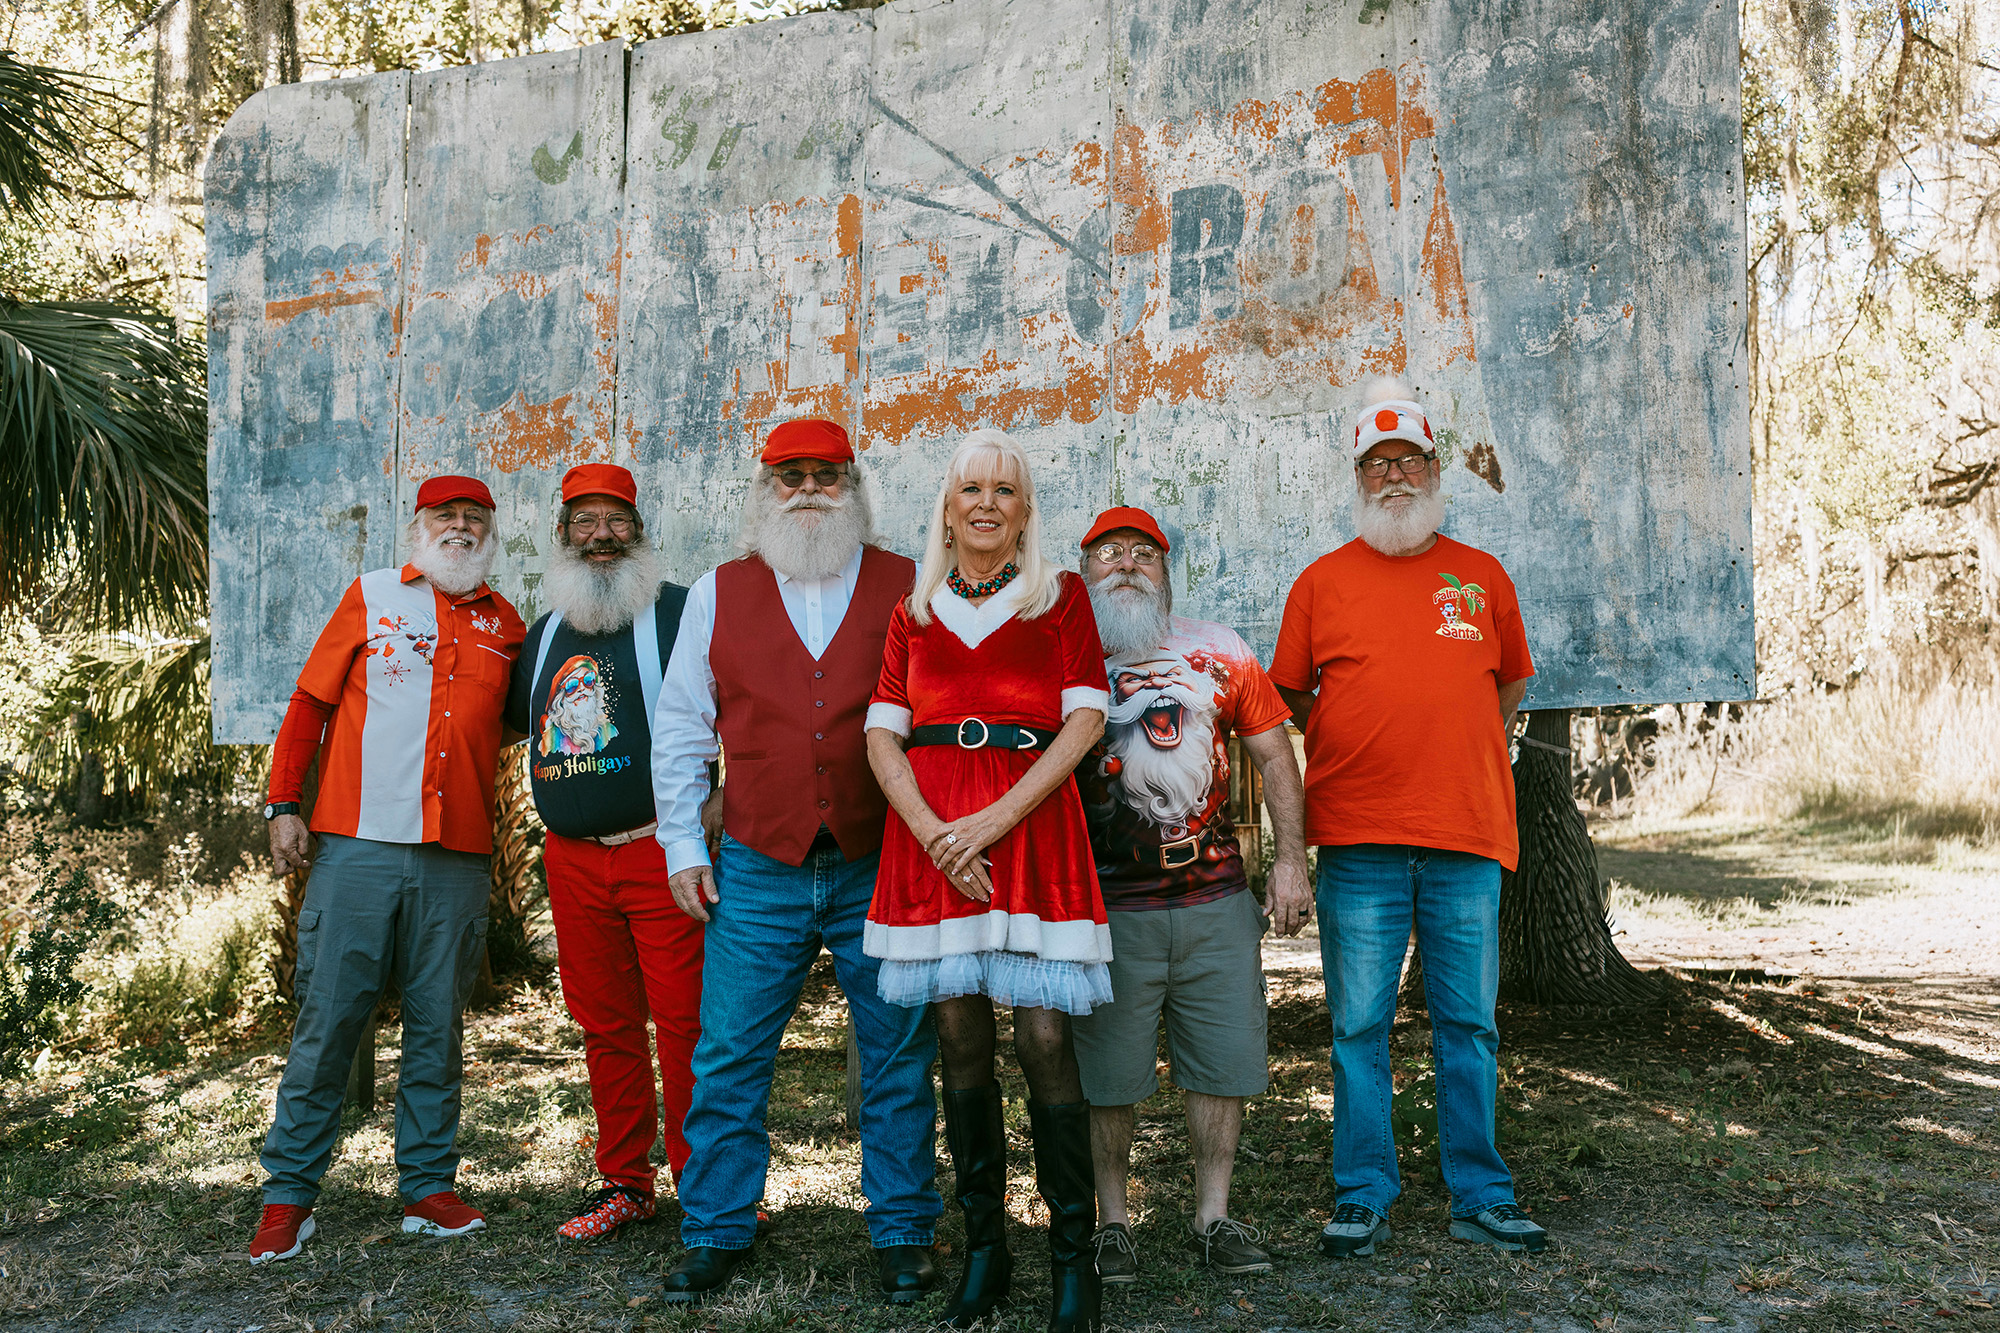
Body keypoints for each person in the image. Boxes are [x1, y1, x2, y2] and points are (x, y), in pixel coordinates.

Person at [650, 419, 941, 1306]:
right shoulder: (718, 591)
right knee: (730, 1051)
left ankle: (902, 1230)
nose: (808, 489)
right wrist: (682, 846)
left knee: (897, 1051)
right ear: (764, 487)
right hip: (759, 860)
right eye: (790, 475)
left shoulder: (907, 583)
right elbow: (681, 728)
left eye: (825, 474)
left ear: (853, 484)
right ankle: (716, 1229)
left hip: (876, 859)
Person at [1267, 385, 1545, 1258]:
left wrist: (1447, 740)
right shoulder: (1320, 583)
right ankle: (1363, 1190)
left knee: (1469, 1024)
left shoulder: (1482, 577)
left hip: (1466, 835)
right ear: (1359, 478)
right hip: (1358, 843)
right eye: (1378, 464)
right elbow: (1294, 697)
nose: (1395, 476)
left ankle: (1481, 1192)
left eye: (1410, 461)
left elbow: (1509, 686)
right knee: (1357, 1026)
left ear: (1434, 470)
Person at [864, 428, 1111, 1333]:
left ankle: (1072, 1260)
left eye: (1004, 489)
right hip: (930, 842)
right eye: (970, 486)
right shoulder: (914, 610)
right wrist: (935, 834)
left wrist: (992, 825)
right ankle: (985, 1252)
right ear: (947, 504)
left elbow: (1084, 724)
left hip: (1031, 831)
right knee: (958, 1036)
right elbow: (880, 735)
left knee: (1044, 1036)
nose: (986, 502)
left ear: (1025, 509)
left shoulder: (1060, 599)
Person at [249, 476, 526, 1264]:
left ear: (492, 533)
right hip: (356, 848)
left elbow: (508, 728)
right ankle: (289, 1197)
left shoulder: (505, 623)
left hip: (459, 856)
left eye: (476, 517)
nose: (462, 527)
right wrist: (283, 806)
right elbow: (309, 704)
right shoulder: (370, 595)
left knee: (438, 1026)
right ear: (420, 526)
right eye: (447, 516)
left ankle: (427, 1188)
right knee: (330, 1018)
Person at [1067, 506, 1312, 1283]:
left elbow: (1275, 754)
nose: (1128, 565)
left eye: (1145, 552)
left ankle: (1214, 1215)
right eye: (1110, 554)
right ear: (1084, 571)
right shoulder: (1061, 656)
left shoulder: (1221, 649)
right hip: (1106, 909)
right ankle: (1112, 1224)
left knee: (1223, 1061)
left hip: (1214, 900)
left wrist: (1289, 863)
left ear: (1168, 571)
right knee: (1108, 1073)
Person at [504, 463, 700, 1243]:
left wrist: (717, 805)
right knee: (605, 1023)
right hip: (573, 859)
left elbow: (742, 713)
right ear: (562, 536)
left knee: (686, 1023)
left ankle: (709, 1185)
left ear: (639, 529)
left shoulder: (678, 613)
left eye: (615, 519)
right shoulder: (545, 630)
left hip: (661, 852)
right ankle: (625, 1179)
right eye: (583, 521)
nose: (600, 535)